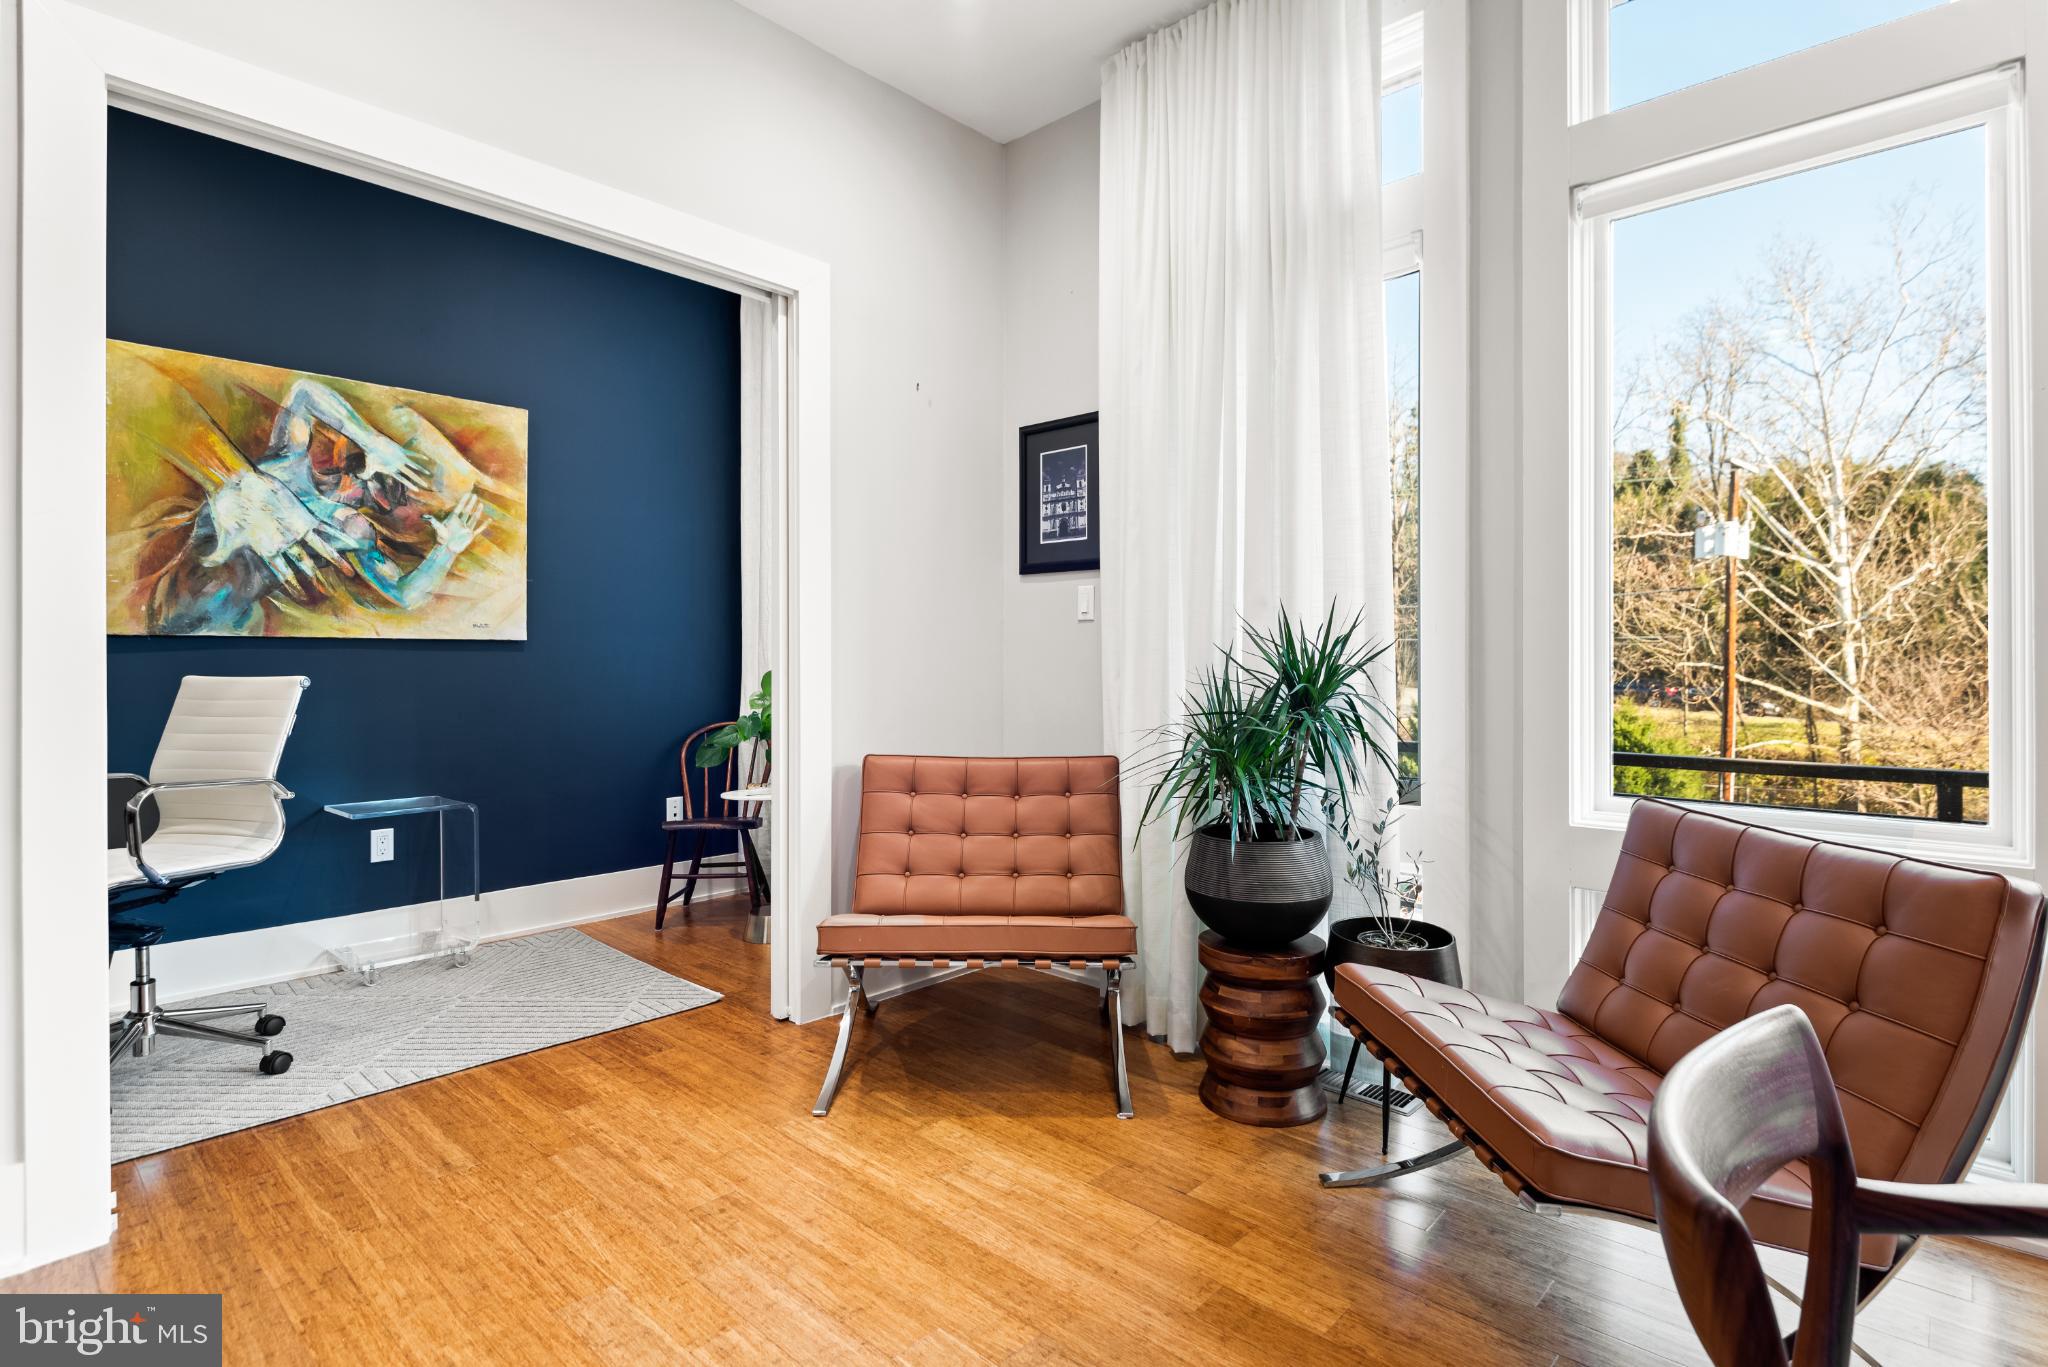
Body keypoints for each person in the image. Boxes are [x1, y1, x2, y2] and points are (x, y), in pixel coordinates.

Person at [149, 378, 490, 633]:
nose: (406, 487)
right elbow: (303, 392)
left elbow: (403, 594)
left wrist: (446, 549)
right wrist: (372, 439)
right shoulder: (292, 460)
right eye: (409, 471)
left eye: (414, 493)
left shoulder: (352, 530)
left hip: (216, 618)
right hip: (182, 583)